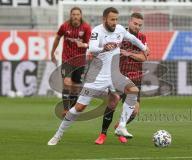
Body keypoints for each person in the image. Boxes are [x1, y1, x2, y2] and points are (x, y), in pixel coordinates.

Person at [47, 7, 149, 146]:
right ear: (104, 19)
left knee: (133, 91)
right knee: (79, 108)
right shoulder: (97, 31)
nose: (115, 22)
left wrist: (144, 48)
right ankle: (58, 135)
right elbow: (92, 48)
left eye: (116, 19)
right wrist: (104, 47)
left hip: (114, 75)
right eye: (112, 19)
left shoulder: (119, 29)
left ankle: (121, 126)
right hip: (97, 77)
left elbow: (132, 38)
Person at [95, 12, 148, 145]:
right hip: (118, 75)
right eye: (135, 24)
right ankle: (103, 134)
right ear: (129, 22)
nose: (137, 27)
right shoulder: (118, 33)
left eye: (140, 25)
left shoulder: (142, 37)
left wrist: (129, 53)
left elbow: (144, 57)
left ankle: (120, 127)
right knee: (113, 102)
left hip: (135, 77)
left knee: (135, 111)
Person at [51, 7, 91, 115]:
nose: (75, 16)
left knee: (75, 87)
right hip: (67, 59)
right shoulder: (64, 26)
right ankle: (65, 109)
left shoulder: (86, 27)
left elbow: (90, 44)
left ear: (81, 16)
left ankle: (72, 110)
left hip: (80, 61)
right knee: (67, 83)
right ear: (70, 15)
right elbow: (57, 38)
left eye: (77, 14)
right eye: (73, 14)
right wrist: (52, 52)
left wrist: (83, 44)